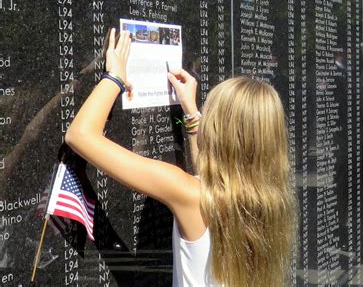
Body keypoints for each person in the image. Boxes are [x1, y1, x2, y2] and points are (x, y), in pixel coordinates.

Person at [65, 29, 297, 287]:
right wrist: (191, 112)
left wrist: (115, 77)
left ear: (220, 131)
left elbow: (80, 135)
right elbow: (210, 175)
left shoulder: (187, 193)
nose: (204, 116)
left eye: (209, 113)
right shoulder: (269, 200)